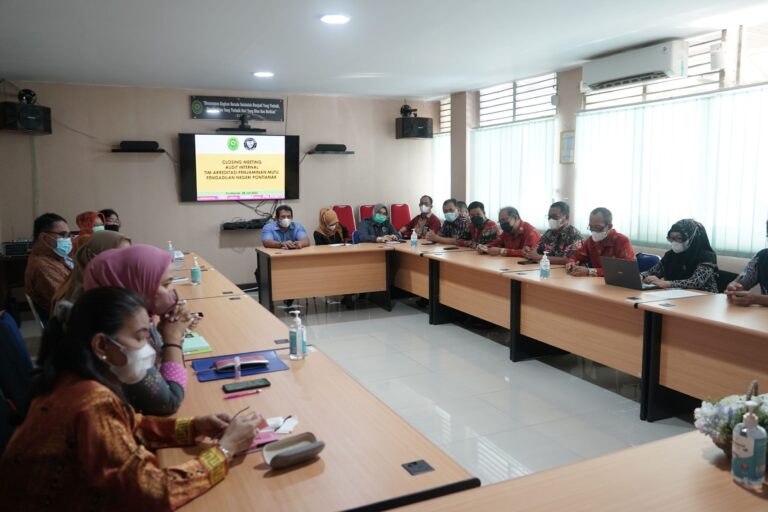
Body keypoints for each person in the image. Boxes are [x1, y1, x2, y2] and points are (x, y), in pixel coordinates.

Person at [0, 287, 261, 510]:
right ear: (102, 345)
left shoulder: (70, 376)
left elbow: (129, 425)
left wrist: (194, 426)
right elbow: (153, 492)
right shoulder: (90, 403)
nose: (146, 349)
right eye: (139, 338)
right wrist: (225, 450)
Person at [82, 245, 196, 415]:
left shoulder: (135, 318)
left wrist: (170, 329)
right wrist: (173, 339)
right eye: (166, 284)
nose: (174, 292)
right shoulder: (116, 336)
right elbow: (169, 401)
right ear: (136, 285)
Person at [51, 230, 132, 316]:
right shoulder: (80, 302)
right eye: (118, 256)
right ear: (93, 257)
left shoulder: (107, 288)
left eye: (128, 255)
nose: (126, 262)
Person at [641, 219, 719, 292]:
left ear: (692, 239)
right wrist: (642, 276)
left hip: (704, 297)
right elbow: (653, 271)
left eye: (679, 238)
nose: (674, 242)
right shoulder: (670, 255)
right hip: (675, 295)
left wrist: (668, 283)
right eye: (671, 238)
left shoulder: (706, 256)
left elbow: (696, 282)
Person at [24, 213, 73, 318]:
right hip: (66, 321)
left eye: (69, 235)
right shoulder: (43, 267)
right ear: (44, 238)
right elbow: (67, 303)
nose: (68, 240)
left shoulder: (54, 258)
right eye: (63, 235)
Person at [566, 207, 635, 277]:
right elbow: (575, 256)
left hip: (618, 282)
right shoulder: (591, 241)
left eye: (597, 227)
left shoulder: (622, 241)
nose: (593, 231)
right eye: (591, 227)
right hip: (597, 282)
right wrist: (571, 263)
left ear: (609, 226)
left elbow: (625, 270)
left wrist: (589, 271)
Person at [726, 221, 768, 306]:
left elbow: (755, 299)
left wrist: (757, 299)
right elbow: (741, 282)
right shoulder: (762, 257)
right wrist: (734, 288)